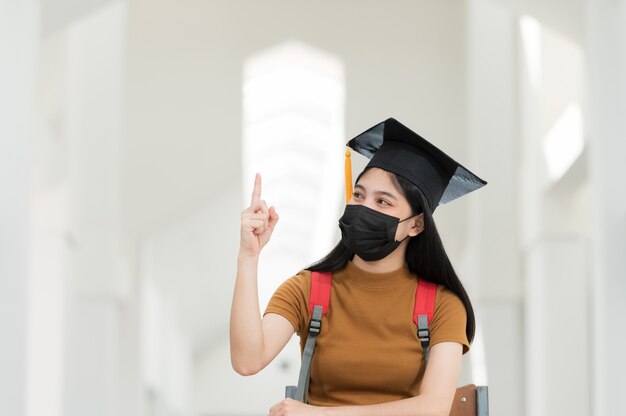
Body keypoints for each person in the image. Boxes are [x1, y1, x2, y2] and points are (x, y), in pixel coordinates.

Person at [230, 118, 487, 416]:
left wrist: (320, 415)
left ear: (416, 225)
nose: (365, 207)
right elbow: (247, 361)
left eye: (383, 202)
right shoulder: (309, 289)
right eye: (359, 195)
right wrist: (248, 258)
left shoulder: (442, 305)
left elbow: (434, 407)